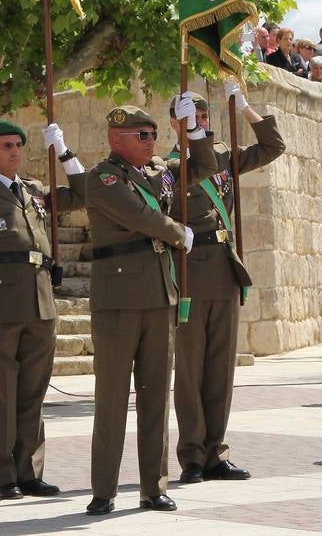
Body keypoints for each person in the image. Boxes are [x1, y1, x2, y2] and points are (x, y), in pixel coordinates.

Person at [85, 97, 218, 516]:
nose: (151, 142)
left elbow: (205, 168)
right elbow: (138, 215)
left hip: (160, 295)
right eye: (142, 136)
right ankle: (104, 488)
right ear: (115, 139)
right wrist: (179, 232)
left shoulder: (160, 171)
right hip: (119, 299)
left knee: (156, 394)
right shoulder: (103, 178)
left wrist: (191, 132)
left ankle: (153, 486)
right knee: (111, 398)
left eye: (154, 135)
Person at [0, 119, 86, 500]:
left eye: (18, 145)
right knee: (2, 393)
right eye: (6, 145)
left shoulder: (33, 190)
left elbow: (84, 193)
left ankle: (30, 471)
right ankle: (5, 475)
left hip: (39, 301)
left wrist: (65, 152)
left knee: (33, 393)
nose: (15, 151)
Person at [168, 85, 284, 485]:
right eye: (191, 118)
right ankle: (192, 456)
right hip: (187, 276)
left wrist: (247, 108)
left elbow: (272, 147)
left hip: (223, 270)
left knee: (220, 370)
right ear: (175, 123)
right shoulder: (164, 167)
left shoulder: (221, 159)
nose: (200, 123)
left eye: (204, 117)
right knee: (189, 372)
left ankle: (216, 452)